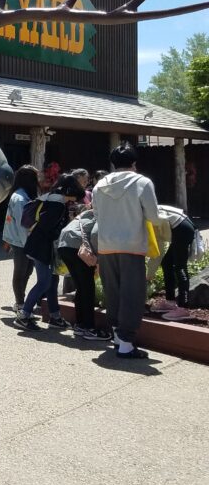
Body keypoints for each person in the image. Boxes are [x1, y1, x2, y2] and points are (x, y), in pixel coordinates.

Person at [91, 142, 159, 359]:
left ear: (113, 163)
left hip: (106, 245)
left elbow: (97, 216)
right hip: (132, 245)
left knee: (112, 292)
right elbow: (154, 216)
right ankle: (127, 343)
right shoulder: (142, 182)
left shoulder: (99, 185)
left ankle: (118, 337)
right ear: (134, 163)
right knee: (132, 293)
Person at [13, 172, 85, 332]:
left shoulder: (50, 198)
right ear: (70, 192)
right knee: (44, 282)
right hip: (42, 248)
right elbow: (47, 227)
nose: (74, 201)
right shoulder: (57, 205)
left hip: (38, 245)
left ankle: (55, 316)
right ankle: (24, 315)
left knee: (52, 282)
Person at [56, 209, 111, 341]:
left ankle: (80, 325)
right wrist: (97, 258)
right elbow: (95, 234)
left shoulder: (87, 213)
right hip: (78, 247)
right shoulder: (102, 214)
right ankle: (89, 328)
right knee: (87, 288)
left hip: (64, 245)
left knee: (81, 287)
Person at [147, 205, 197, 322]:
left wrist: (149, 274)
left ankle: (183, 309)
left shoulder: (148, 218)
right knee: (166, 263)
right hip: (180, 226)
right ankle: (170, 302)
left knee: (180, 267)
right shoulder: (146, 212)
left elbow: (157, 250)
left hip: (182, 228)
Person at [2, 164, 39, 316]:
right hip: (21, 242)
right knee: (20, 272)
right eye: (36, 177)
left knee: (27, 271)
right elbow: (22, 224)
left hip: (24, 241)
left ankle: (21, 301)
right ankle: (20, 303)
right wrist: (29, 246)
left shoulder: (24, 195)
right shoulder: (20, 198)